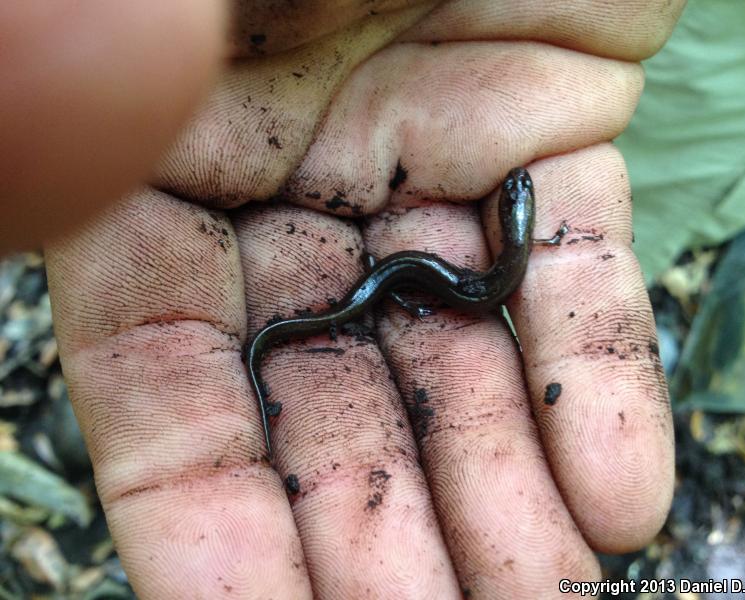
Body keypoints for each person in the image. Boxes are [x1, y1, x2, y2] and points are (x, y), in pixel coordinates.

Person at [2, 1, 686, 598]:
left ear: (516, 218)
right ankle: (300, 333)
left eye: (517, 202)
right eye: (518, 201)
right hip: (413, 279)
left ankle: (313, 328)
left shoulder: (508, 245)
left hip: (416, 280)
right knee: (405, 285)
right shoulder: (512, 245)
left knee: (411, 287)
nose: (518, 197)